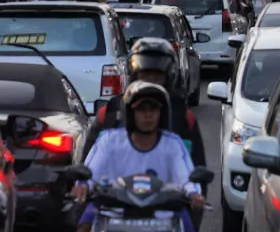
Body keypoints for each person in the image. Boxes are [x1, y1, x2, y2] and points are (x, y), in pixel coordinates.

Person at [68, 81, 202, 232]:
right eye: (141, 109)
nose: (147, 115)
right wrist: (83, 185)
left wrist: (194, 193)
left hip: (163, 218)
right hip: (111, 216)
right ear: (130, 112)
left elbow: (186, 178)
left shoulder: (173, 144)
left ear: (162, 113)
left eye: (153, 109)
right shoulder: (110, 141)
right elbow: (90, 172)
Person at [85, 38, 207, 192]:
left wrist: (192, 201)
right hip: (114, 208)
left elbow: (196, 177)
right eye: (145, 75)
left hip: (166, 209)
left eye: (157, 76)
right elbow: (88, 170)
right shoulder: (108, 115)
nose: (147, 115)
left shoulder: (183, 120)